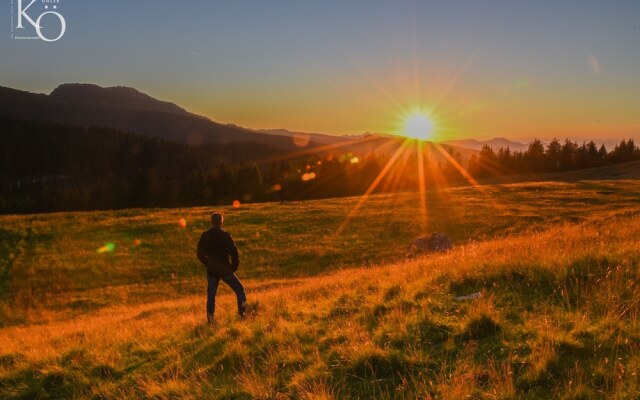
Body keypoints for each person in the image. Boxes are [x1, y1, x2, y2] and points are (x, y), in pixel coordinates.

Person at [197, 212, 247, 323]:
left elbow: (199, 253)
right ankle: (242, 314)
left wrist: (207, 263)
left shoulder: (206, 235)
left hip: (212, 270)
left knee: (211, 295)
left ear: (211, 221)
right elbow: (234, 252)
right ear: (221, 222)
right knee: (240, 289)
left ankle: (210, 321)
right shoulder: (225, 235)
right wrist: (233, 267)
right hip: (225, 269)